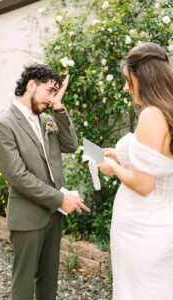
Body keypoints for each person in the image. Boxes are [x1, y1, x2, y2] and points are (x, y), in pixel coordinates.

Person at [0, 64, 90, 300]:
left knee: (49, 284)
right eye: (50, 91)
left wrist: (59, 107)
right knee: (23, 286)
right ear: (31, 85)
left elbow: (70, 145)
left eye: (56, 92)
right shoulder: (3, 125)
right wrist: (61, 199)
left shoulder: (48, 119)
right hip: (27, 218)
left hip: (53, 216)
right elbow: (18, 176)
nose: (51, 97)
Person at [98, 42, 173, 300]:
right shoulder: (167, 112)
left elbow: (143, 185)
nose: (125, 87)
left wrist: (113, 167)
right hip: (157, 222)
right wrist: (121, 155)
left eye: (127, 79)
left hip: (143, 228)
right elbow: (158, 163)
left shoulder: (152, 115)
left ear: (142, 77)